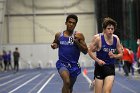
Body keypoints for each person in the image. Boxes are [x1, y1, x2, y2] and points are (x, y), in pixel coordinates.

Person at [51, 14, 88, 93]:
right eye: (69, 22)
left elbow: (85, 51)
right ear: (66, 23)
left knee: (70, 87)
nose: (71, 24)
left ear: (75, 25)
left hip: (74, 65)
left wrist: (77, 43)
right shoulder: (59, 35)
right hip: (62, 64)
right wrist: (54, 45)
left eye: (73, 23)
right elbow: (56, 43)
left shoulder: (79, 35)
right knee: (67, 82)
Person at [88, 17, 123, 93]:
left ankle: (94, 82)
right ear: (104, 29)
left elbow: (121, 54)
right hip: (99, 68)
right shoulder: (98, 38)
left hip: (110, 67)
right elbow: (89, 51)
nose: (110, 31)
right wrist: (98, 60)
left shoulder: (116, 39)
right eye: (108, 28)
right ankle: (94, 82)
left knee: (107, 91)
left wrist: (114, 56)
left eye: (112, 29)